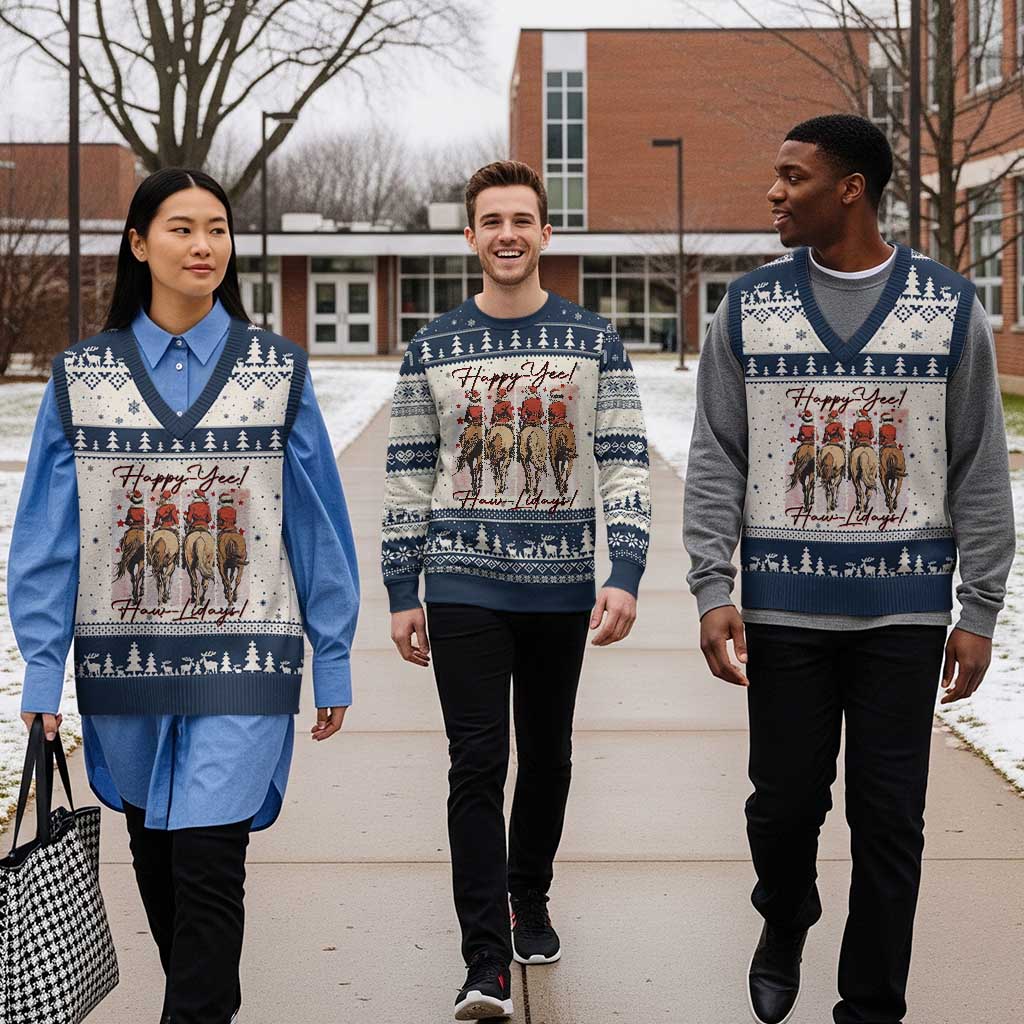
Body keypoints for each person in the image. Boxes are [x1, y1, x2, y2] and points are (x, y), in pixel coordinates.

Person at [684, 114, 1014, 1024]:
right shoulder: (748, 307)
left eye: (792, 176)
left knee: (890, 824)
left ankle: (870, 1005)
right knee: (782, 810)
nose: (774, 192)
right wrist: (714, 585)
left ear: (851, 188)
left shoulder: (947, 307)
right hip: (785, 611)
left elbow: (980, 464)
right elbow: (717, 452)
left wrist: (979, 607)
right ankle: (784, 913)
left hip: (904, 619)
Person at [10, 167, 359, 1024]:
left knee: (210, 863)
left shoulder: (277, 372)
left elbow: (316, 525)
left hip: (246, 660)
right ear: (138, 243)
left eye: (217, 229)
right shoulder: (81, 378)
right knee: (159, 862)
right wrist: (43, 675)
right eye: (181, 228)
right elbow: (47, 541)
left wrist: (334, 654)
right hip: (121, 665)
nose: (204, 246)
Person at [381, 160, 651, 1021]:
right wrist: (401, 586)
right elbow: (408, 476)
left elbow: (623, 459)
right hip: (462, 581)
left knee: (549, 752)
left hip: (562, 584)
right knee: (476, 761)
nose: (507, 234)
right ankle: (484, 960)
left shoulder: (593, 340)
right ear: (470, 236)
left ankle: (527, 895)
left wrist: (627, 569)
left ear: (545, 232)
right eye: (491, 220)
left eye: (522, 220)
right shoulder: (432, 347)